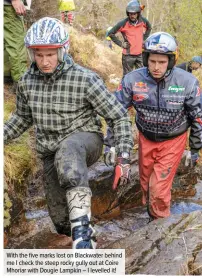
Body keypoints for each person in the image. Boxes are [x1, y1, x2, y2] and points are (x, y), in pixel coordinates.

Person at [4, 17, 133, 249]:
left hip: (86, 140)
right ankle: (80, 230)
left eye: (50, 54)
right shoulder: (25, 83)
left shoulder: (85, 79)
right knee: (61, 220)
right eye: (39, 54)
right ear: (31, 53)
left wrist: (123, 156)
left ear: (62, 51)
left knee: (69, 148)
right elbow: (21, 118)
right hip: (50, 152)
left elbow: (118, 115)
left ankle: (83, 231)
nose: (44, 61)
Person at [105, 32, 202, 220]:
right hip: (146, 137)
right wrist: (111, 144)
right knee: (145, 184)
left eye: (162, 62)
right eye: (152, 61)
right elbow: (115, 112)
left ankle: (161, 224)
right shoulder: (132, 80)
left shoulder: (187, 82)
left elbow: (198, 117)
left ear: (171, 61)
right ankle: (152, 215)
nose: (156, 67)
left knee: (158, 187)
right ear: (146, 59)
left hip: (173, 139)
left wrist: (195, 148)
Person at [107, 0, 151, 76]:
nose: (132, 16)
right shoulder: (123, 23)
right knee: (127, 77)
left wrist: (143, 38)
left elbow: (149, 27)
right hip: (128, 56)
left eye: (134, 14)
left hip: (140, 54)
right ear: (128, 13)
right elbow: (110, 33)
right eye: (130, 14)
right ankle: (125, 88)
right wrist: (121, 44)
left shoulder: (143, 21)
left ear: (138, 13)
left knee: (141, 75)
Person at [4, 0, 27, 89]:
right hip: (9, 5)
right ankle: (20, 82)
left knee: (7, 39)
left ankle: (7, 74)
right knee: (16, 42)